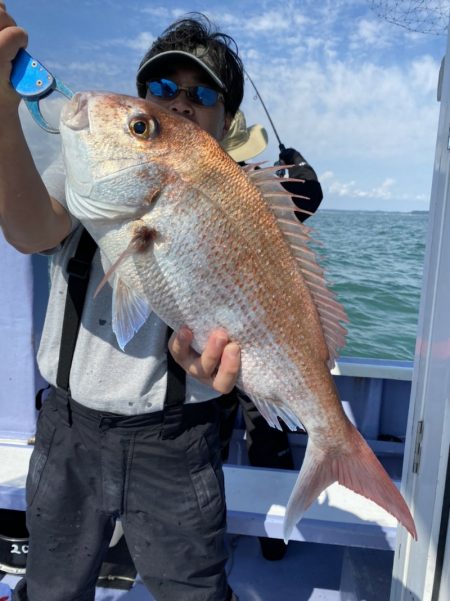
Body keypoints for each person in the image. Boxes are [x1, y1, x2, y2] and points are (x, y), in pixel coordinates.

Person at [1, 10, 243, 601]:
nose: (179, 103)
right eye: (161, 91)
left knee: (193, 591)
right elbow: (31, 232)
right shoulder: (89, 172)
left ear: (226, 121)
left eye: (201, 94)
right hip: (68, 429)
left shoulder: (240, 209)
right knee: (52, 588)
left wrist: (227, 373)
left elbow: (257, 315)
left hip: (177, 441)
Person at [219, 110, 324, 560]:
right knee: (265, 431)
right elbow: (309, 195)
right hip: (258, 337)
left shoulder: (228, 186)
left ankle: (230, 527)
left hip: (225, 335)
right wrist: (299, 170)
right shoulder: (270, 187)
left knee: (220, 426)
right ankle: (272, 537)